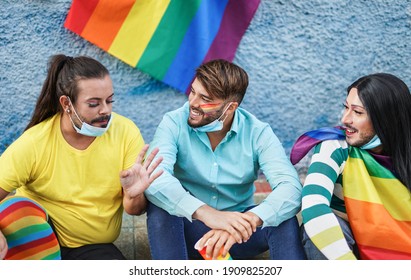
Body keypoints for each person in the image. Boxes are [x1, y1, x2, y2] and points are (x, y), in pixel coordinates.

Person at [0, 54, 163, 260]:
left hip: (90, 248)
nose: (106, 110)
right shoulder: (35, 142)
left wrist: (133, 195)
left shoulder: (126, 133)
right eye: (94, 104)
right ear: (66, 104)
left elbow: (135, 210)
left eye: (109, 100)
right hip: (34, 244)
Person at [144, 59, 305, 260]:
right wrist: (207, 213)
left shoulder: (258, 132)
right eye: (193, 92)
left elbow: (291, 188)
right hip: (188, 231)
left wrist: (246, 221)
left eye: (205, 99)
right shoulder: (173, 122)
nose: (193, 103)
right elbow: (154, 178)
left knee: (283, 218)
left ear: (230, 108)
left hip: (239, 235)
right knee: (161, 205)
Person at [290, 73, 411, 260]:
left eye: (358, 112)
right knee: (314, 230)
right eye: (346, 107)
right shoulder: (334, 147)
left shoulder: (406, 154)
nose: (345, 119)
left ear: (386, 118)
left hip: (396, 249)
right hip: (343, 250)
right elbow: (313, 206)